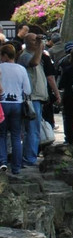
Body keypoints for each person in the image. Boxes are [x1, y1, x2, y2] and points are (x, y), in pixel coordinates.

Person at [18, 34, 60, 167]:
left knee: (34, 129)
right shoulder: (25, 56)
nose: (37, 42)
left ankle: (30, 156)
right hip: (32, 98)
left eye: (38, 40)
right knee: (32, 129)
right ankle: (29, 158)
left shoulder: (39, 55)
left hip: (38, 97)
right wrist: (40, 48)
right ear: (27, 42)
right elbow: (34, 63)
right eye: (33, 40)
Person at [0, 43, 31, 173]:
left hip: (2, 103)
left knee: (1, 135)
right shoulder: (21, 69)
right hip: (17, 104)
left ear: (5, 56)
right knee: (16, 135)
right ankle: (16, 166)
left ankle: (2, 162)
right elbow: (28, 90)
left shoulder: (0, 68)